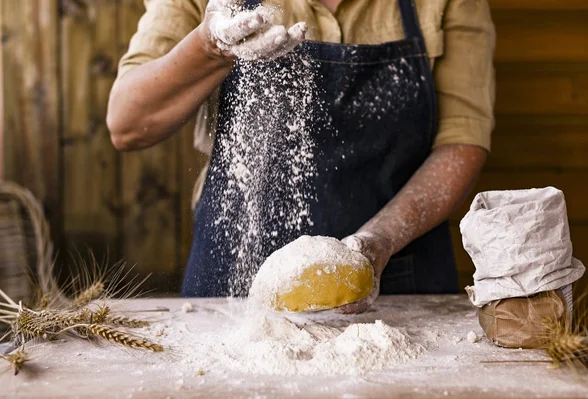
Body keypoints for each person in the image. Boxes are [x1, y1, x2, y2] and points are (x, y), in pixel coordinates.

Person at [107, 0, 496, 313]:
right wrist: (210, 47)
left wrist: (378, 241)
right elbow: (127, 123)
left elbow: (463, 140)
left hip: (398, 280)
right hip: (234, 289)